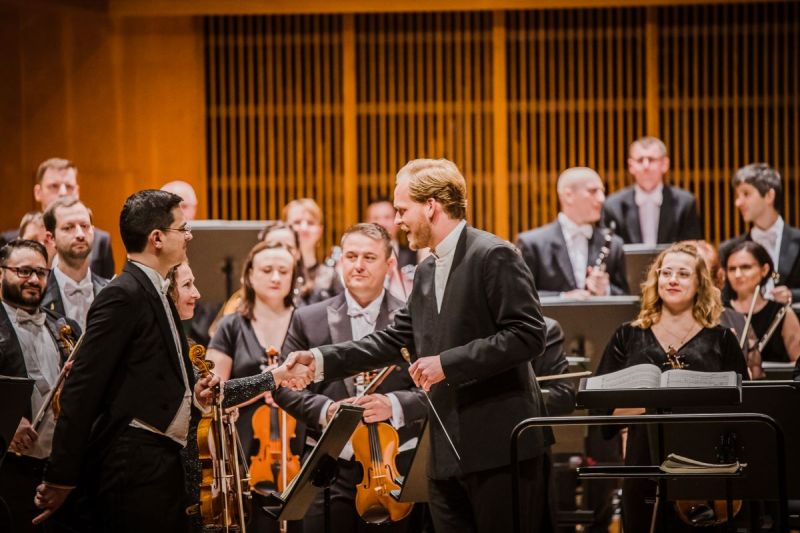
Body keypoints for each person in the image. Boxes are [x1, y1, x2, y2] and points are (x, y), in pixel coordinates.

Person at [284, 158, 553, 533]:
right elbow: (395, 340)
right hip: (443, 451)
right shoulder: (425, 272)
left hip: (499, 448)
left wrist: (447, 363)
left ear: (431, 206)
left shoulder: (493, 254)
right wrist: (318, 360)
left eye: (401, 209)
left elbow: (528, 334)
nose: (396, 221)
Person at [34, 189, 221, 531]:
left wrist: (193, 394)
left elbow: (150, 373)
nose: (189, 235)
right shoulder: (123, 294)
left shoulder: (159, 288)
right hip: (131, 463)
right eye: (183, 228)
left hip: (160, 458)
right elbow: (82, 386)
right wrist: (60, 477)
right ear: (157, 238)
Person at [273, 223, 427, 533]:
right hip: (329, 467)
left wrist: (395, 404)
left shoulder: (412, 320)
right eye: (351, 256)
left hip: (396, 467)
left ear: (390, 263)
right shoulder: (308, 317)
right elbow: (283, 387)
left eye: (369, 257)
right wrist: (326, 410)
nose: (358, 265)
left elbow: (432, 388)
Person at [595, 242, 749, 532]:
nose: (673, 280)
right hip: (642, 464)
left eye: (683, 273)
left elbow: (743, 404)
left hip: (703, 466)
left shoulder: (722, 340)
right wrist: (655, 405)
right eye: (666, 273)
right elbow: (602, 413)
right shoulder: (627, 336)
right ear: (656, 281)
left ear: (700, 283)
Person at [167, 261, 310, 533]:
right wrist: (275, 377)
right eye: (187, 285)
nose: (197, 293)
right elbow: (217, 394)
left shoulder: (182, 344)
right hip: (176, 474)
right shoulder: (171, 344)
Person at [206, 241, 298, 531]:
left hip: (297, 443)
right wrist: (264, 386)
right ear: (249, 275)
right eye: (267, 270)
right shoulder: (231, 325)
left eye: (283, 271)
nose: (275, 278)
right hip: (246, 446)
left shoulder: (306, 320)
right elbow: (213, 394)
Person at [0, 239, 81, 533]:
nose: (34, 280)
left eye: (41, 272)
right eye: (23, 271)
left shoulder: (66, 327)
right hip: (9, 474)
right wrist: (4, 423)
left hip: (59, 472)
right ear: (1, 273)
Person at [517, 167, 628, 297]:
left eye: (602, 191)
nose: (602, 198)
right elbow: (521, 296)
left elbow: (628, 299)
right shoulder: (532, 244)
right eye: (593, 191)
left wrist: (606, 290)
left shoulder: (614, 244)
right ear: (568, 196)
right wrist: (563, 298)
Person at [3, 158, 115, 279]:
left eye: (69, 186)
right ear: (38, 192)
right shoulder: (8, 241)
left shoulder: (100, 241)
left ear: (77, 192)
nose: (62, 192)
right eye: (54, 186)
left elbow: (106, 291)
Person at [720, 162, 800, 305]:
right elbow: (724, 300)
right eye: (738, 195)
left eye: (746, 194)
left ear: (769, 196)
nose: (738, 202)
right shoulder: (729, 249)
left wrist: (791, 295)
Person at [603, 136, 703, 245]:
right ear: (631, 165)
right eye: (640, 160)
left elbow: (692, 248)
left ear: (665, 164)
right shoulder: (613, 205)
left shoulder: (685, 203)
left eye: (651, 160)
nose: (646, 166)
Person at [689, 240, 764, 379]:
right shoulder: (665, 323)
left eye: (701, 276)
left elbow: (755, 376)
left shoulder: (739, 320)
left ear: (719, 278)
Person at [723, 240, 800, 363]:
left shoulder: (782, 312)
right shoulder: (719, 312)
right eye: (732, 269)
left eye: (745, 267)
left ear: (764, 270)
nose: (737, 274)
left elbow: (797, 363)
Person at [41, 197, 109, 332]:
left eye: (84, 226)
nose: (80, 234)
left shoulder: (111, 291)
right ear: (51, 238)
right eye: (68, 227)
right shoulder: (39, 294)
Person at [283, 198, 342, 305]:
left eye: (310, 223)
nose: (304, 228)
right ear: (285, 228)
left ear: (320, 231)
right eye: (297, 222)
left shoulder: (330, 275)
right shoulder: (276, 273)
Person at [366, 198, 415, 300]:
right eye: (376, 218)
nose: (382, 223)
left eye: (387, 217)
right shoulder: (361, 260)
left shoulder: (414, 254)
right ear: (367, 222)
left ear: (397, 220)